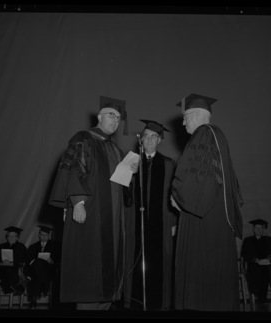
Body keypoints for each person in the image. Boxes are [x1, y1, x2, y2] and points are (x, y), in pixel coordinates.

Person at [48, 95, 138, 311]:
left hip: (113, 222)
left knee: (108, 278)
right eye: (110, 115)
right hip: (91, 215)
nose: (115, 121)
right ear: (99, 116)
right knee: (90, 272)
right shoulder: (84, 138)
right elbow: (74, 168)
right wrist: (77, 202)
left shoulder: (116, 150)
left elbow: (120, 187)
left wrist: (130, 174)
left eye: (118, 118)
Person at [170, 93, 244, 311]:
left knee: (199, 279)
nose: (183, 122)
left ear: (197, 115)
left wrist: (178, 197)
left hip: (202, 217)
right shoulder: (218, 135)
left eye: (186, 117)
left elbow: (193, 175)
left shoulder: (203, 133)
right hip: (219, 216)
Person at [123, 119, 178, 311]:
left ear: (160, 140)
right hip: (135, 223)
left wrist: (172, 222)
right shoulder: (130, 160)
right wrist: (130, 176)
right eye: (146, 136)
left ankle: (159, 304)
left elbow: (173, 194)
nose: (150, 140)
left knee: (160, 262)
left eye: (154, 137)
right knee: (135, 259)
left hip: (160, 222)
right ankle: (135, 303)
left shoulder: (169, 164)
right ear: (141, 140)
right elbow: (122, 193)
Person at [240, 219, 271, 303]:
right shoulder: (248, 241)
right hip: (255, 265)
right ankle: (262, 298)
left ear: (264, 229)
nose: (259, 230)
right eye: (257, 228)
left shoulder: (270, 240)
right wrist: (256, 260)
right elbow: (245, 254)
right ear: (253, 229)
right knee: (262, 271)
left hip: (269, 264)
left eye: (261, 228)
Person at [0, 226, 28, 307]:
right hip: (0, 269)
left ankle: (7, 288)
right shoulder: (1, 246)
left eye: (14, 236)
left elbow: (24, 260)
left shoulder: (21, 247)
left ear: (17, 237)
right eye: (9, 236)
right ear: (7, 237)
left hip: (14, 270)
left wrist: (12, 263)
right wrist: (2, 263)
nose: (11, 238)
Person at [23, 225, 60, 309]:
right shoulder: (33, 246)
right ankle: (33, 301)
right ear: (38, 235)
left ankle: (33, 300)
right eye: (42, 234)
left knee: (36, 266)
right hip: (37, 272)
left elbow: (58, 259)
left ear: (49, 235)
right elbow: (28, 259)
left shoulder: (55, 246)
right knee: (36, 267)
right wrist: (34, 262)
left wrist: (52, 261)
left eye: (45, 235)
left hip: (48, 271)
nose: (43, 237)